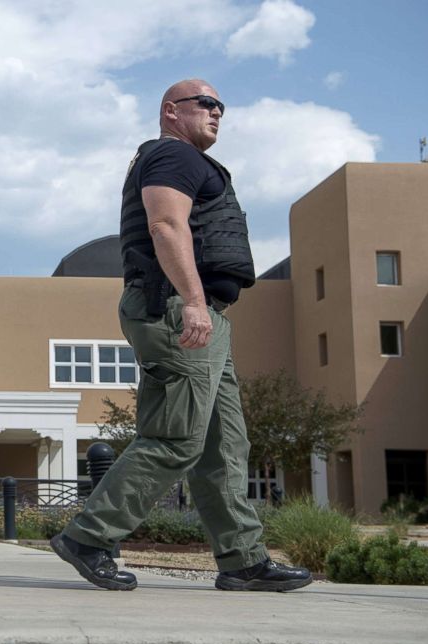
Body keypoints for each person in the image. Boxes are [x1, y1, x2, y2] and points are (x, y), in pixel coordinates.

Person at [50, 79, 312, 592]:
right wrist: (193, 302)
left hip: (202, 315)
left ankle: (243, 560)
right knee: (175, 439)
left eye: (222, 107)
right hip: (176, 309)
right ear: (172, 111)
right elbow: (166, 225)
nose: (218, 113)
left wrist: (202, 307)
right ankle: (89, 535)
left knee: (223, 445)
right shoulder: (173, 156)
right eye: (207, 104)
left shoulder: (188, 160)